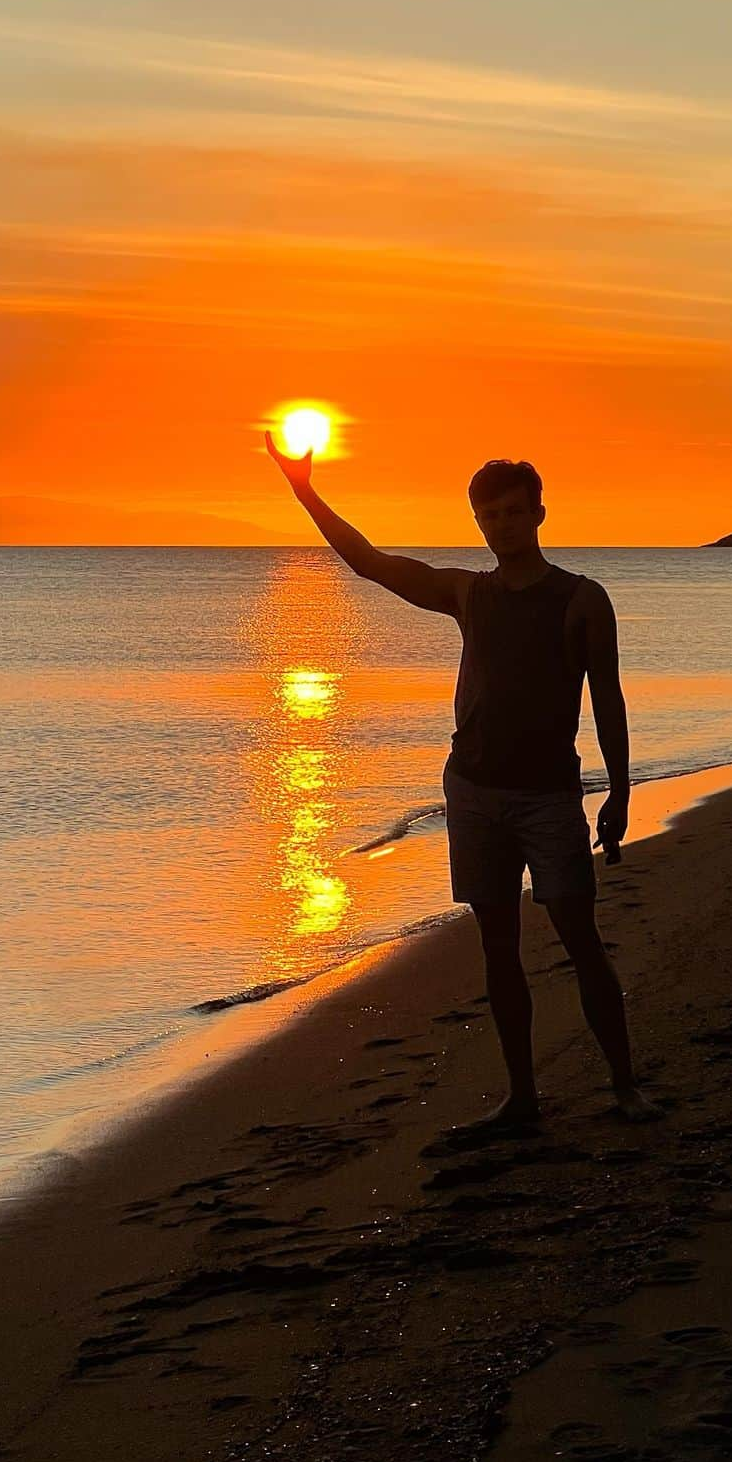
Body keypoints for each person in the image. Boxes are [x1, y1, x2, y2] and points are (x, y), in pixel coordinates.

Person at [265, 435, 658, 1134]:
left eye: (513, 512)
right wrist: (304, 490)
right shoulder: (466, 593)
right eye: (489, 515)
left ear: (539, 513)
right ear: (477, 521)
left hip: (548, 796)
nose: (501, 524)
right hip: (474, 793)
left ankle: (625, 1083)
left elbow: (609, 701)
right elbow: (370, 564)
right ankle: (522, 1099)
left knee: (580, 936)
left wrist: (620, 792)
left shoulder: (582, 600)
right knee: (497, 946)